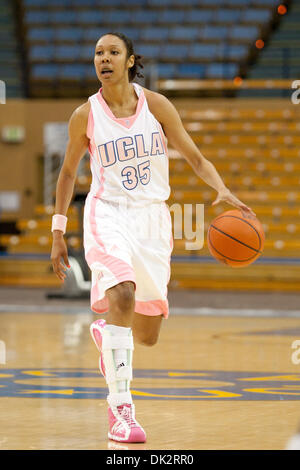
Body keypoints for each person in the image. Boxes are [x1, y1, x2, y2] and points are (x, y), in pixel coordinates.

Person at [51, 32, 256, 444]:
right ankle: (121, 411)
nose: (103, 59)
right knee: (122, 293)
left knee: (146, 335)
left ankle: (106, 333)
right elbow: (69, 173)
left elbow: (195, 156)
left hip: (152, 222)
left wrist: (222, 189)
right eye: (97, 53)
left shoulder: (156, 105)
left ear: (130, 61)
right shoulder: (85, 115)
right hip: (107, 212)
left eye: (112, 52)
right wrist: (58, 231)